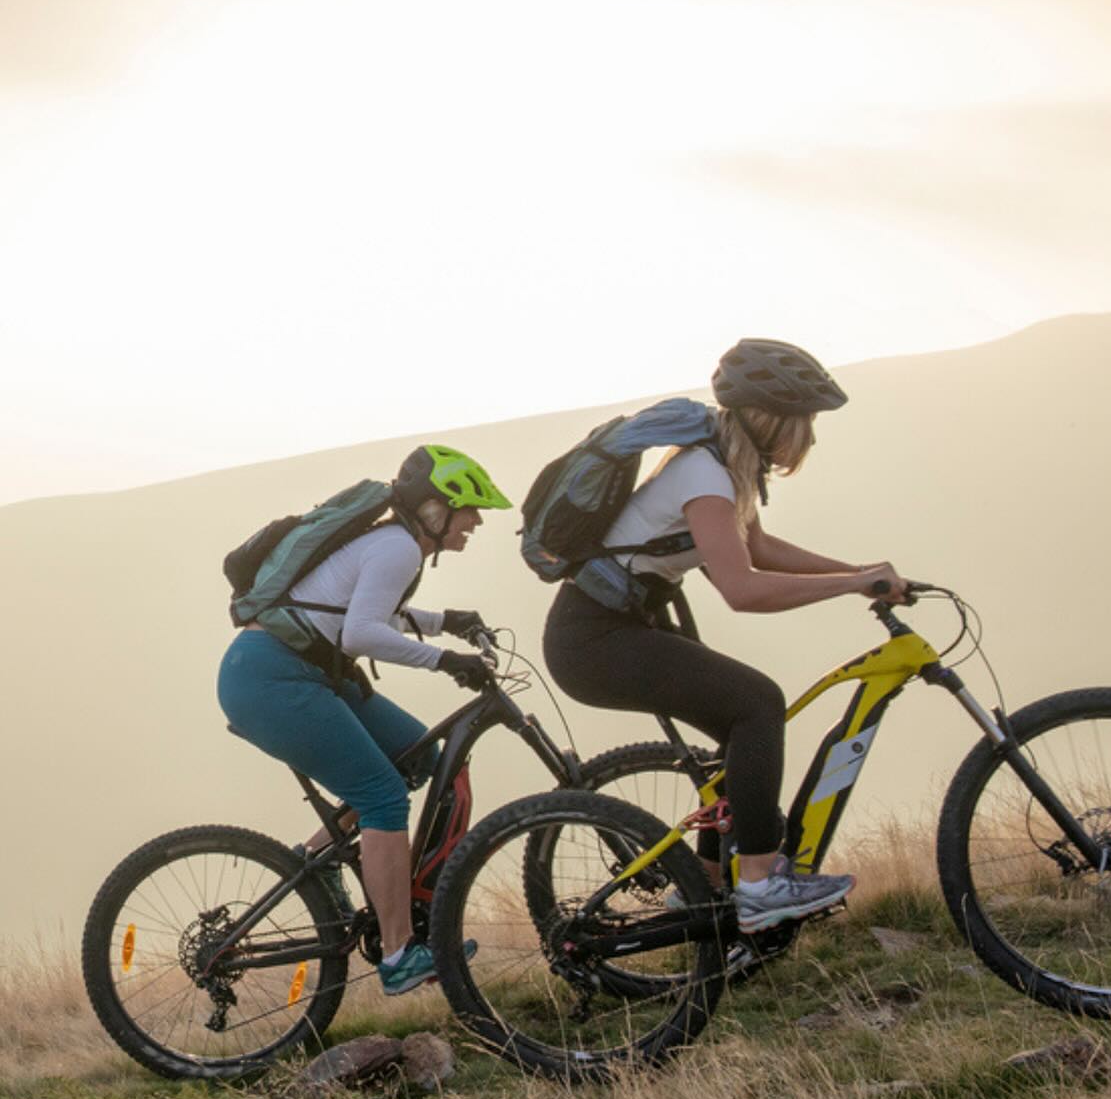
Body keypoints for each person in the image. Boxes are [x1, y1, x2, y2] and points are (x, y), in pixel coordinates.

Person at [543, 338, 911, 935]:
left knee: (736, 739)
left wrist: (860, 572)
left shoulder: (721, 468)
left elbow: (759, 548)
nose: (809, 436)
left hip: (620, 627)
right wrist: (851, 584)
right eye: (805, 420)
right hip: (593, 640)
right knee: (757, 704)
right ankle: (762, 883)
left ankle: (707, 889)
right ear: (771, 419)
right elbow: (742, 589)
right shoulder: (705, 474)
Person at [217, 445, 511, 994]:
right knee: (383, 797)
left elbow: (362, 611)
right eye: (468, 509)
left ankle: (316, 859)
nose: (475, 522)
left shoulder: (395, 544)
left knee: (419, 756)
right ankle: (399, 955)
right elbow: (361, 634)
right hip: (271, 679)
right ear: (434, 508)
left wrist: (450, 621)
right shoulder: (397, 546)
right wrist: (446, 661)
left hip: (300, 674)